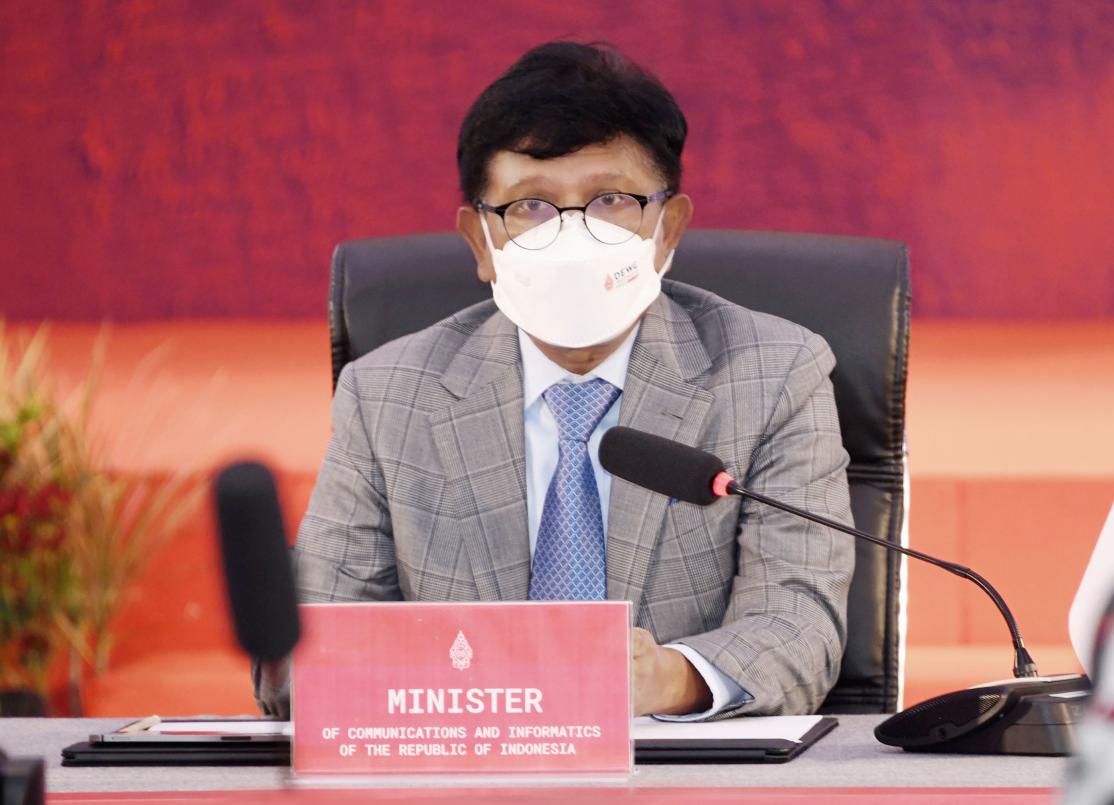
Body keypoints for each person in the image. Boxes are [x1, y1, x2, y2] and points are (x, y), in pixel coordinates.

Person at [256, 41, 854, 720]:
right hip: (467, 763)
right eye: (531, 206)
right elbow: (305, 651)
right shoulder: (387, 396)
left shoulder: (772, 375)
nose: (572, 237)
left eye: (610, 200)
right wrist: (481, 688)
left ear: (667, 230)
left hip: (675, 766)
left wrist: (667, 678)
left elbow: (798, 624)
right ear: (481, 242)